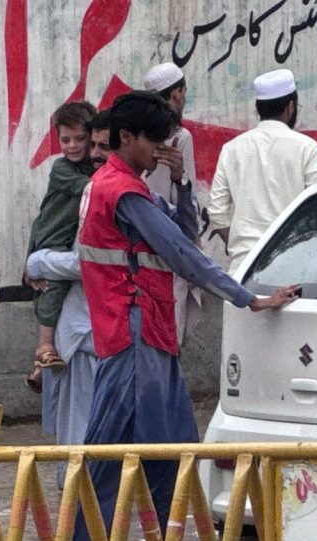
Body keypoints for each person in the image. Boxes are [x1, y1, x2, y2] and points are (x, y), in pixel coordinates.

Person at [75, 91, 298, 541]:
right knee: (115, 444)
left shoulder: (126, 184)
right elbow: (183, 253)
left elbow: (182, 229)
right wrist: (248, 299)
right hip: (133, 328)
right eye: (150, 142)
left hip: (149, 328)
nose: (157, 151)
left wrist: (179, 183)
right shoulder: (123, 191)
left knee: (172, 443)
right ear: (126, 137)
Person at [24, 110, 113, 479]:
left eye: (93, 144)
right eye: (73, 141)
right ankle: (42, 350)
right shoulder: (77, 178)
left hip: (93, 332)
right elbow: (85, 262)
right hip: (78, 332)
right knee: (76, 428)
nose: (82, 149)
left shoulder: (105, 186)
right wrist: (37, 262)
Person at [207, 69, 317, 270]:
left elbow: (217, 213)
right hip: (294, 264)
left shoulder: (231, 149)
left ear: (258, 109)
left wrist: (243, 248)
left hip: (243, 268)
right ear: (290, 107)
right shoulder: (307, 148)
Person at [24, 100, 97, 392]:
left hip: (65, 242)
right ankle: (43, 348)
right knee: (52, 290)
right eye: (65, 140)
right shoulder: (62, 169)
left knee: (63, 290)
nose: (72, 146)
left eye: (80, 139)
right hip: (51, 239)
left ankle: (43, 367)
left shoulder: (92, 165)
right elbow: (90, 190)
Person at [143, 62, 203, 345]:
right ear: (177, 94)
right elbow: (184, 197)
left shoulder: (141, 137)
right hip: (170, 245)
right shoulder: (179, 138)